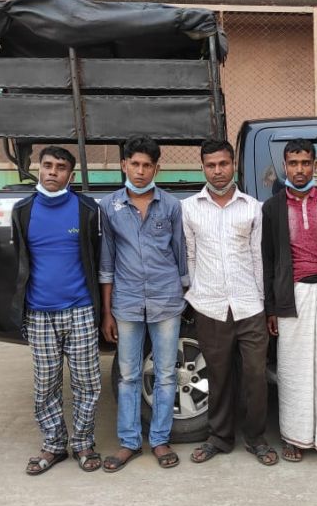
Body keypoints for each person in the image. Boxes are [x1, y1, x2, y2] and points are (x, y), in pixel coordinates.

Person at [183, 139, 278, 466]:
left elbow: (258, 258)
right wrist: (196, 294)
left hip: (249, 305)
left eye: (223, 164)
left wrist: (263, 304)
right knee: (218, 375)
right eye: (211, 165)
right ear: (203, 168)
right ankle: (220, 437)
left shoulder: (252, 207)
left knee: (255, 375)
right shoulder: (189, 208)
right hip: (209, 306)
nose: (218, 171)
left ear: (233, 165)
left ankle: (256, 438)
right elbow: (190, 256)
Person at [10, 146, 103, 475]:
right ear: (39, 169)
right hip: (39, 312)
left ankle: (83, 443)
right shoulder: (23, 210)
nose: (52, 172)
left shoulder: (87, 209)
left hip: (81, 309)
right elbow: (20, 261)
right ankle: (53, 445)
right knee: (46, 384)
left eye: (60, 167)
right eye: (47, 165)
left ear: (70, 175)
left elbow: (97, 257)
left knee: (87, 383)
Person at [99, 135, 188, 472]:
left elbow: (180, 255)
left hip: (166, 299)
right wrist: (107, 311)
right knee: (128, 375)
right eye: (134, 164)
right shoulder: (110, 207)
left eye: (146, 165)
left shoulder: (171, 206)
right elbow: (106, 262)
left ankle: (160, 439)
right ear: (124, 165)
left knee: (166, 373)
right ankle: (129, 442)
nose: (140, 171)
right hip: (127, 301)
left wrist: (184, 295)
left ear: (156, 169)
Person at [262, 139, 317, 461]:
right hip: (291, 295)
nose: (299, 169)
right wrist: (271, 308)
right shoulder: (272, 208)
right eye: (293, 163)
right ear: (285, 167)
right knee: (293, 371)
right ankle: (295, 438)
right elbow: (268, 261)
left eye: (305, 163)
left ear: (314, 165)